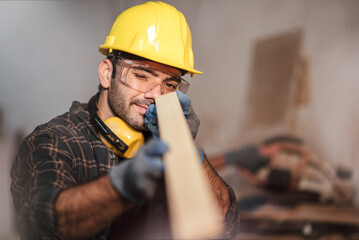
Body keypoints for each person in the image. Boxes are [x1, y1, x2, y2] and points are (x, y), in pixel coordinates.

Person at [10, 2, 239, 239]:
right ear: (107, 74)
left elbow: (227, 227)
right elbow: (44, 223)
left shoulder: (164, 143)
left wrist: (187, 150)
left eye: (169, 84)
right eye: (141, 75)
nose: (156, 95)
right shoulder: (56, 141)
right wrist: (121, 187)